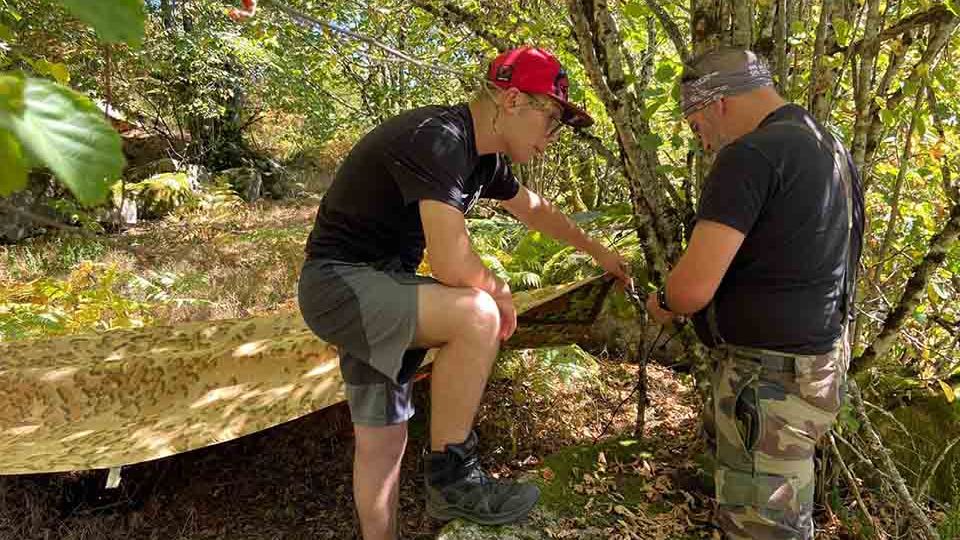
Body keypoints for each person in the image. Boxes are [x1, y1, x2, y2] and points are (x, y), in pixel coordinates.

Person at [296, 46, 631, 539]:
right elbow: (452, 263)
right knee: (476, 313)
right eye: (552, 119)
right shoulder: (441, 140)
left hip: (383, 289)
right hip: (340, 285)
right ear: (513, 100)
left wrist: (599, 251)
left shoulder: (481, 159)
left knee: (383, 445)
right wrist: (501, 292)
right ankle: (454, 480)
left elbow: (535, 209)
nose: (552, 138)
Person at [645, 48, 865, 539]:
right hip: (820, 365)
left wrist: (664, 301)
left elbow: (692, 289)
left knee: (762, 527)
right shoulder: (828, 145)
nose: (696, 134)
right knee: (782, 516)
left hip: (769, 381)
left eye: (694, 119)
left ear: (718, 103)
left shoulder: (750, 155)